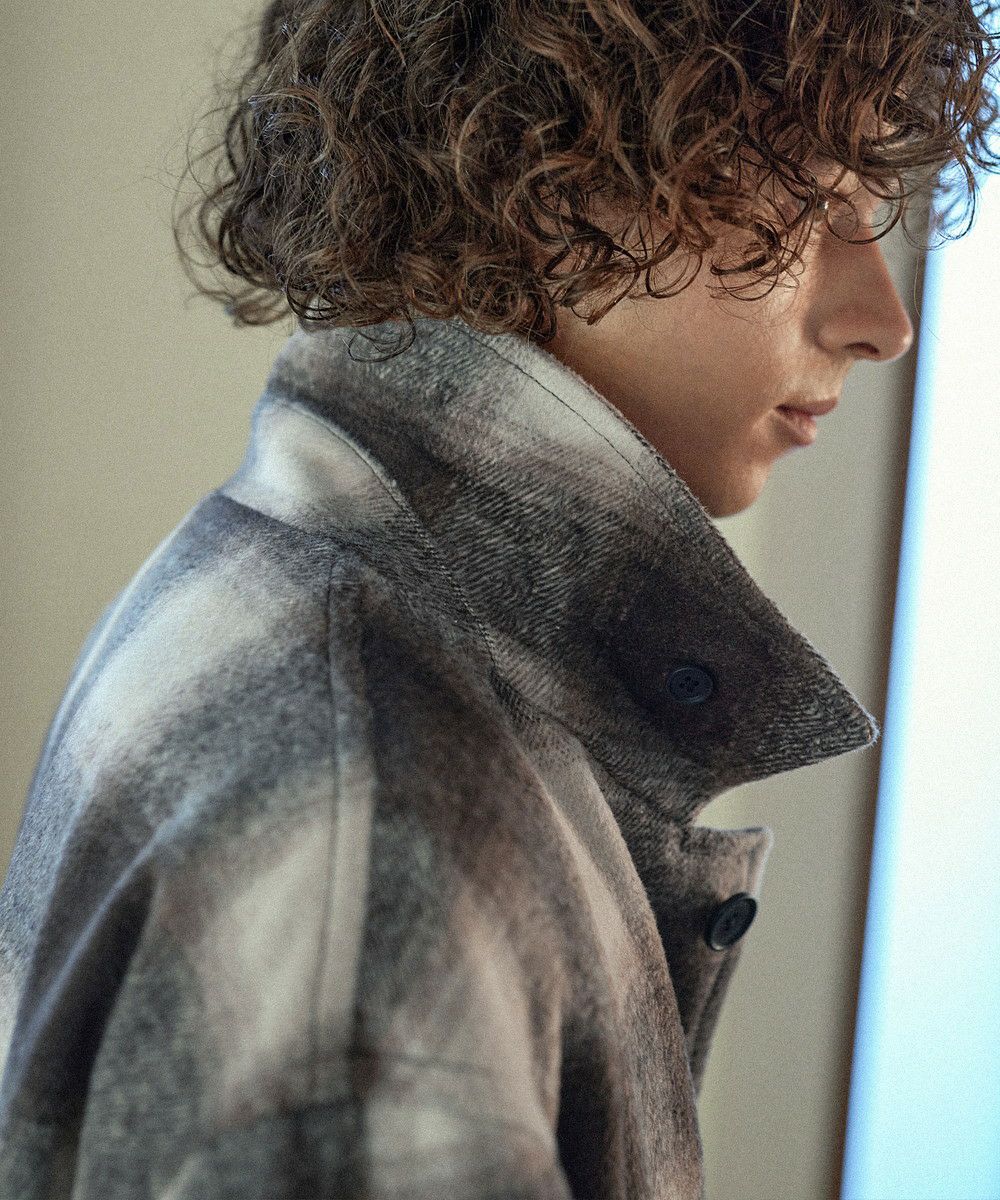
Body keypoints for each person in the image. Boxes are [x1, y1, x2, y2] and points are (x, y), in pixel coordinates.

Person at [1, 2, 998, 1198]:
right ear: (545, 168)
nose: (881, 322)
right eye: (813, 206)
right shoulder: (375, 825)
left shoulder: (299, 577)